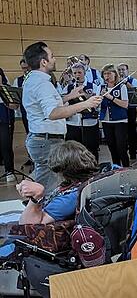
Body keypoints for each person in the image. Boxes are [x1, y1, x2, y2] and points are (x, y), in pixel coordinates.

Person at [21, 42, 101, 195]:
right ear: (43, 62)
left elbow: (47, 105)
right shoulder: (42, 84)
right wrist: (86, 103)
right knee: (48, 190)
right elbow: (53, 113)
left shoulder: (33, 79)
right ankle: (42, 216)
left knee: (46, 181)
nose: (54, 59)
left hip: (41, 139)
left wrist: (71, 96)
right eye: (51, 56)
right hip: (47, 142)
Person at [16, 140, 100, 225]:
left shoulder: (69, 199)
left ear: (62, 171)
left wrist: (36, 197)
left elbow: (28, 226)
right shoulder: (99, 179)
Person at [64, 63, 100, 160]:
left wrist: (84, 94)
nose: (77, 75)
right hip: (73, 122)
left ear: (84, 73)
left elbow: (97, 104)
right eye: (75, 73)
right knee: (73, 149)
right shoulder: (69, 87)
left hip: (89, 122)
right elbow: (62, 102)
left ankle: (93, 169)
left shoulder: (93, 86)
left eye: (79, 72)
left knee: (91, 148)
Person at [99, 65, 130, 167]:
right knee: (112, 148)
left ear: (115, 74)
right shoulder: (101, 87)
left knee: (121, 148)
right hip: (106, 121)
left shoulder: (122, 87)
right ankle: (116, 168)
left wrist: (110, 97)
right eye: (105, 74)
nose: (107, 76)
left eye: (109, 73)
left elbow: (125, 104)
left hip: (120, 121)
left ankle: (126, 169)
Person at [117, 63, 137, 160]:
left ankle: (133, 152)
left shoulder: (133, 80)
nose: (121, 72)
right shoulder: (116, 81)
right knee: (122, 132)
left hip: (130, 108)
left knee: (131, 131)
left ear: (127, 71)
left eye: (123, 70)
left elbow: (135, 91)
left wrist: (126, 82)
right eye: (119, 70)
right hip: (121, 109)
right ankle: (122, 152)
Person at [0, 68, 19, 182]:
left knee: (5, 145)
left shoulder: (6, 88)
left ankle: (9, 170)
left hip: (4, 119)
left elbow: (14, 106)